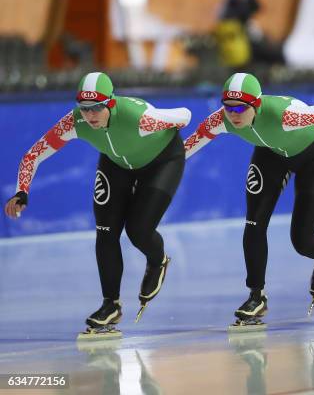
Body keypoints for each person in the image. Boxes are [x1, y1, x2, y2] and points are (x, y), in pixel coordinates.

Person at [4, 72, 191, 337]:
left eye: (96, 108)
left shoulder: (141, 119)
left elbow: (185, 115)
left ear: (111, 104)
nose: (90, 115)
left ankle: (158, 259)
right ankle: (110, 305)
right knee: (105, 231)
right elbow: (33, 154)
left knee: (138, 230)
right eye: (85, 108)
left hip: (162, 161)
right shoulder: (74, 122)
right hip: (116, 165)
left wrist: (160, 119)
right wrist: (22, 192)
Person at [184, 72, 314, 327]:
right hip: (270, 156)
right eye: (228, 107)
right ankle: (256, 296)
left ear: (257, 105)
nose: (233, 114)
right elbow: (190, 144)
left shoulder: (289, 115)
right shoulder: (221, 119)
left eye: (240, 107)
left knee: (303, 241)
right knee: (254, 223)